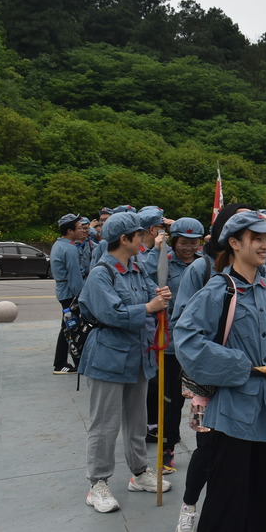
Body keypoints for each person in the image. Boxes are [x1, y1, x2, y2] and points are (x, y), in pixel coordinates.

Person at [175, 210, 266, 532]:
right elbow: (187, 340)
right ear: (234, 243)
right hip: (231, 409)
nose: (265, 245)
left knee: (259, 489)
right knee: (227, 492)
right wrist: (240, 366)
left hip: (264, 407)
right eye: (256, 238)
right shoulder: (220, 290)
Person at [79, 212, 173, 514]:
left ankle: (139, 472)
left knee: (137, 419)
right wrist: (149, 306)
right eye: (139, 235)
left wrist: (160, 296)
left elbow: (149, 295)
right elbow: (112, 314)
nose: (144, 238)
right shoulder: (101, 273)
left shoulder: (135, 267)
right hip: (108, 356)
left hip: (138, 355)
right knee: (104, 424)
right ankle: (98, 483)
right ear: (125, 239)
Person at [169, 203, 247, 532]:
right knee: (207, 447)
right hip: (209, 379)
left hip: (245, 379)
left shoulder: (258, 270)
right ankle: (189, 507)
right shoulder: (201, 269)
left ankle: (230, 516)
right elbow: (182, 327)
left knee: (239, 451)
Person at [144, 217, 205, 474]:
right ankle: (167, 448)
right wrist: (156, 251)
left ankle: (206, 448)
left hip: (199, 342)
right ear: (174, 241)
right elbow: (146, 279)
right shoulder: (163, 262)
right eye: (183, 242)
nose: (188, 247)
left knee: (202, 398)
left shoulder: (205, 265)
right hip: (170, 343)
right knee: (171, 400)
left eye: (194, 242)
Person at [51, 213, 85, 374]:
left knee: (67, 326)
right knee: (70, 328)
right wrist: (81, 297)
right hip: (70, 294)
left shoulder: (59, 244)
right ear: (70, 231)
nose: (82, 230)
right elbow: (74, 277)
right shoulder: (69, 249)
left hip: (63, 291)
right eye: (79, 228)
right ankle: (61, 364)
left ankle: (63, 362)